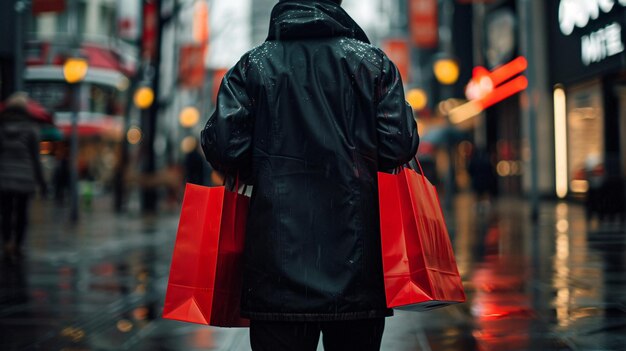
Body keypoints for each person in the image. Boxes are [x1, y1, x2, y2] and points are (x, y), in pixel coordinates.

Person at [201, 0, 419, 349]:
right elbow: (399, 144)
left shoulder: (253, 65)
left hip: (275, 268)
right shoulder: (372, 63)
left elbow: (225, 147)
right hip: (355, 269)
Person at [0, 93, 47, 261]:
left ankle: (6, 243)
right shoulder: (31, 128)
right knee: (21, 213)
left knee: (6, 212)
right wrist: (42, 183)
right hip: (25, 178)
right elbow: (35, 159)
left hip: (4, 177)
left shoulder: (2, 127)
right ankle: (18, 245)